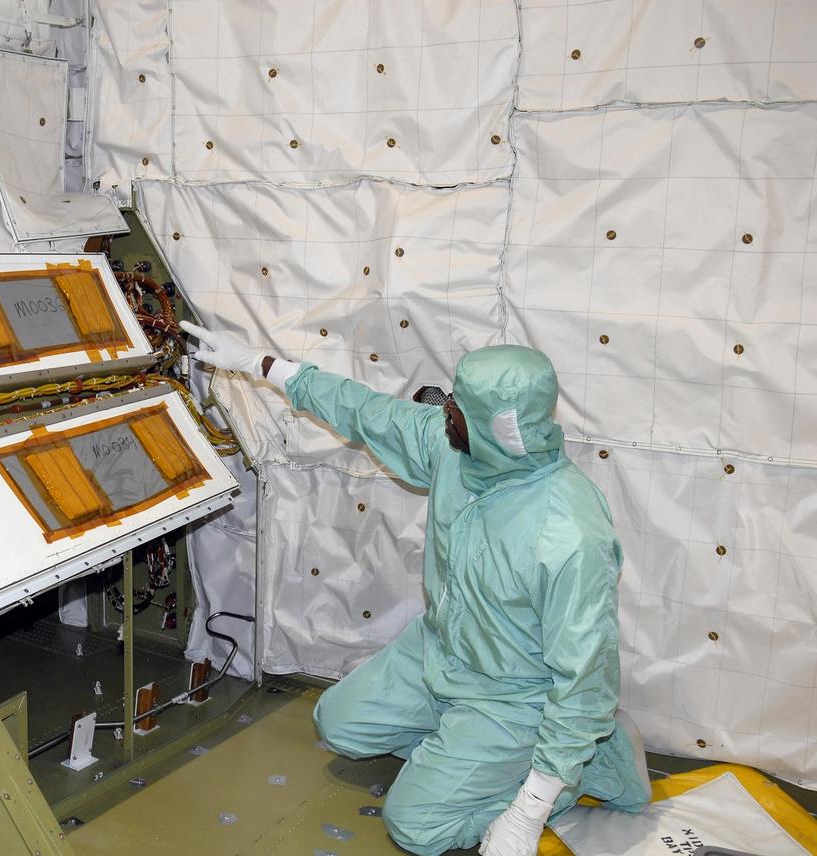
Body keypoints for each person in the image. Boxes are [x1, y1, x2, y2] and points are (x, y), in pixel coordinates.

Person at [180, 321, 652, 856]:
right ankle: (474, 756)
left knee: (416, 828)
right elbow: (367, 412)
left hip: (515, 696)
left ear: (502, 429)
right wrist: (259, 364)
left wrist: (528, 812)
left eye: (456, 412)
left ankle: (582, 769)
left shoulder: (570, 534)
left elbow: (587, 679)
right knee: (337, 725)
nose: (442, 413)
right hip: (439, 652)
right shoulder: (461, 453)